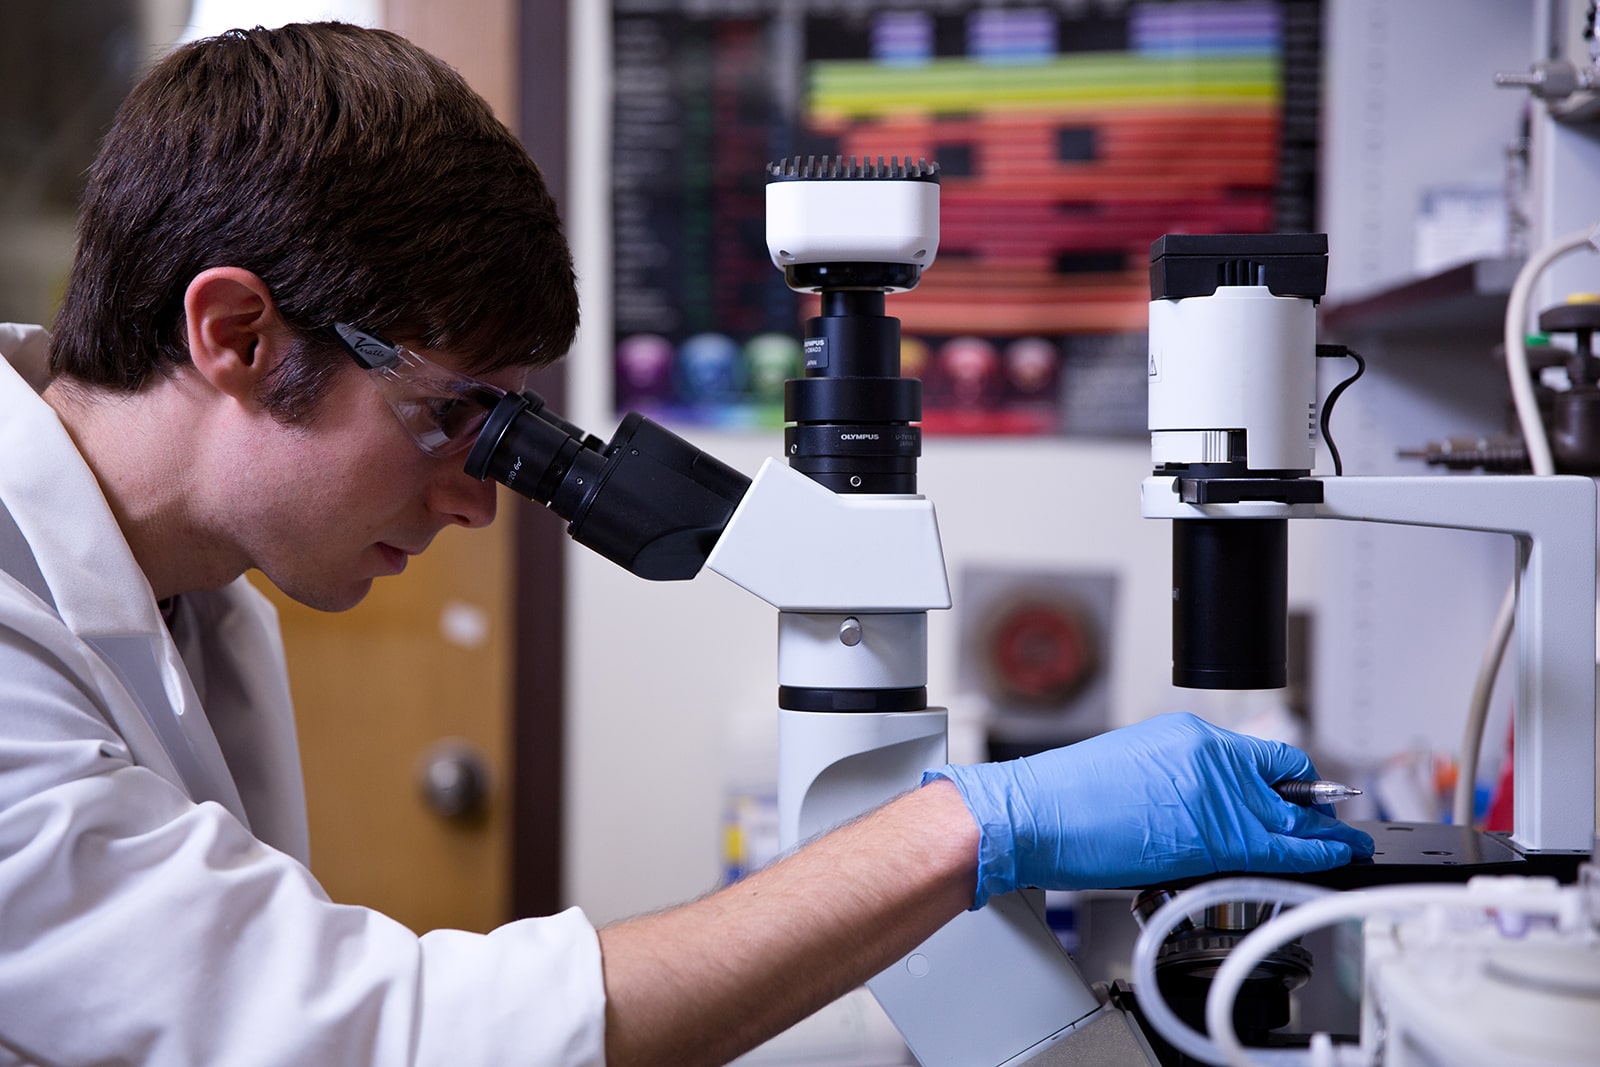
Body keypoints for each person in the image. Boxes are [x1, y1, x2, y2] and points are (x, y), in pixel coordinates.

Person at [0, 22, 1373, 1067]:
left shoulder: (197, 598)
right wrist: (974, 826)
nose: (480, 501)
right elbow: (367, 1035)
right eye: (449, 418)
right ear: (238, 336)